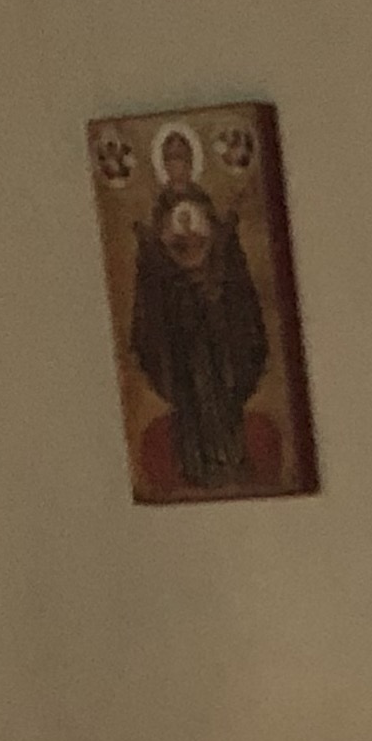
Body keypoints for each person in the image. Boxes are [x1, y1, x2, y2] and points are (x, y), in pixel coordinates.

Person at [127, 127, 277, 493]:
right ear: (165, 166)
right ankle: (196, 464)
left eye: (182, 161)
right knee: (192, 394)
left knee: (222, 387)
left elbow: (220, 255)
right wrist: (152, 246)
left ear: (191, 164)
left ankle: (231, 459)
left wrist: (223, 236)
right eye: (171, 162)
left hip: (213, 317)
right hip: (181, 322)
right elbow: (159, 270)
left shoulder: (203, 203)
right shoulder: (162, 209)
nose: (177, 168)